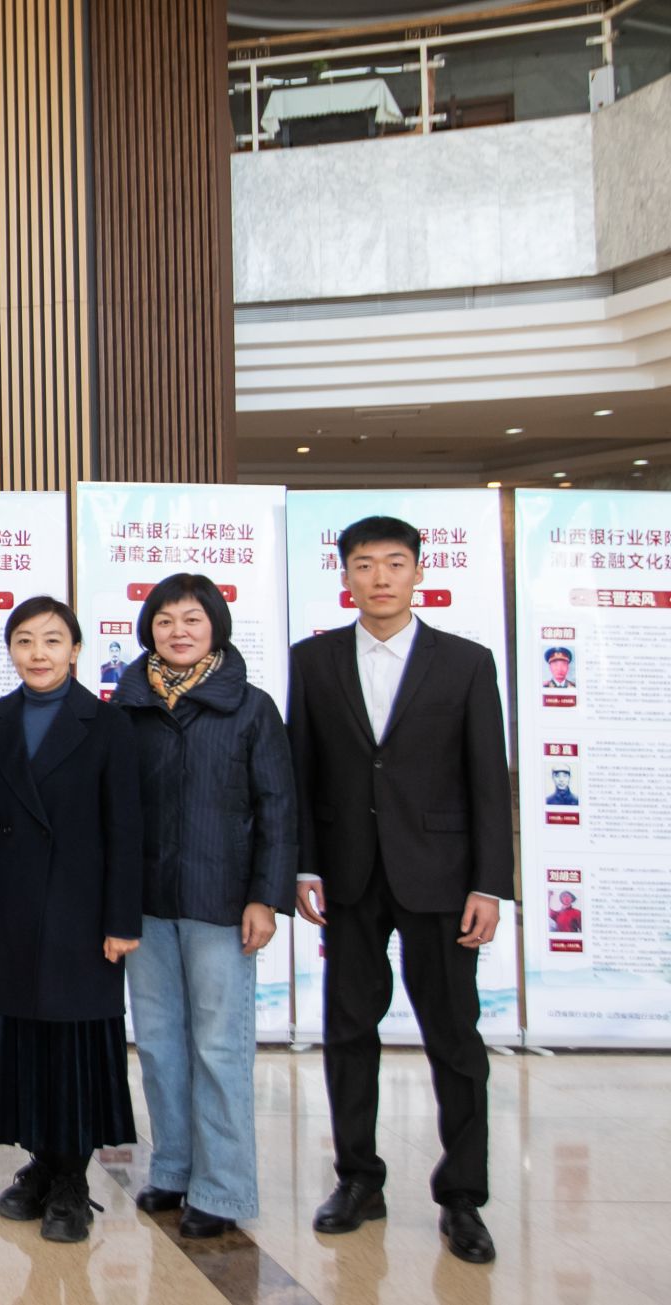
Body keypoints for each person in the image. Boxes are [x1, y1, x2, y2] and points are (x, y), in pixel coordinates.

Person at [289, 515, 511, 1266]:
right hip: (349, 874)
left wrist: (489, 884)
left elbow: (488, 779)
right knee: (349, 1031)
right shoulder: (313, 660)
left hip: (442, 876)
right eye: (363, 564)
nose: (379, 577)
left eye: (393, 563)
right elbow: (302, 770)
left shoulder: (466, 662)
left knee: (455, 1037)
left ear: (419, 571)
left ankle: (463, 1196)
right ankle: (358, 1178)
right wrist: (305, 866)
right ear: (344, 575)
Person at [110, 575, 296, 1239]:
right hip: (145, 905)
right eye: (165, 621)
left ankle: (222, 1187)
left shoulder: (251, 707)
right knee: (160, 1044)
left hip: (222, 902)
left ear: (215, 625)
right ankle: (174, 1168)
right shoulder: (126, 706)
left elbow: (277, 806)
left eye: (192, 619)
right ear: (149, 630)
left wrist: (265, 897)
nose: (178, 631)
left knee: (219, 1046)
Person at [0, 595, 142, 1244]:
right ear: (10, 650)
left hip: (81, 912)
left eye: (51, 640)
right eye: (24, 641)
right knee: (23, 1046)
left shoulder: (108, 723)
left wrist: (122, 919)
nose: (38, 653)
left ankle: (72, 1179)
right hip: (9, 910)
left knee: (73, 1050)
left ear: (75, 650)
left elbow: (126, 828)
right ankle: (40, 1163)